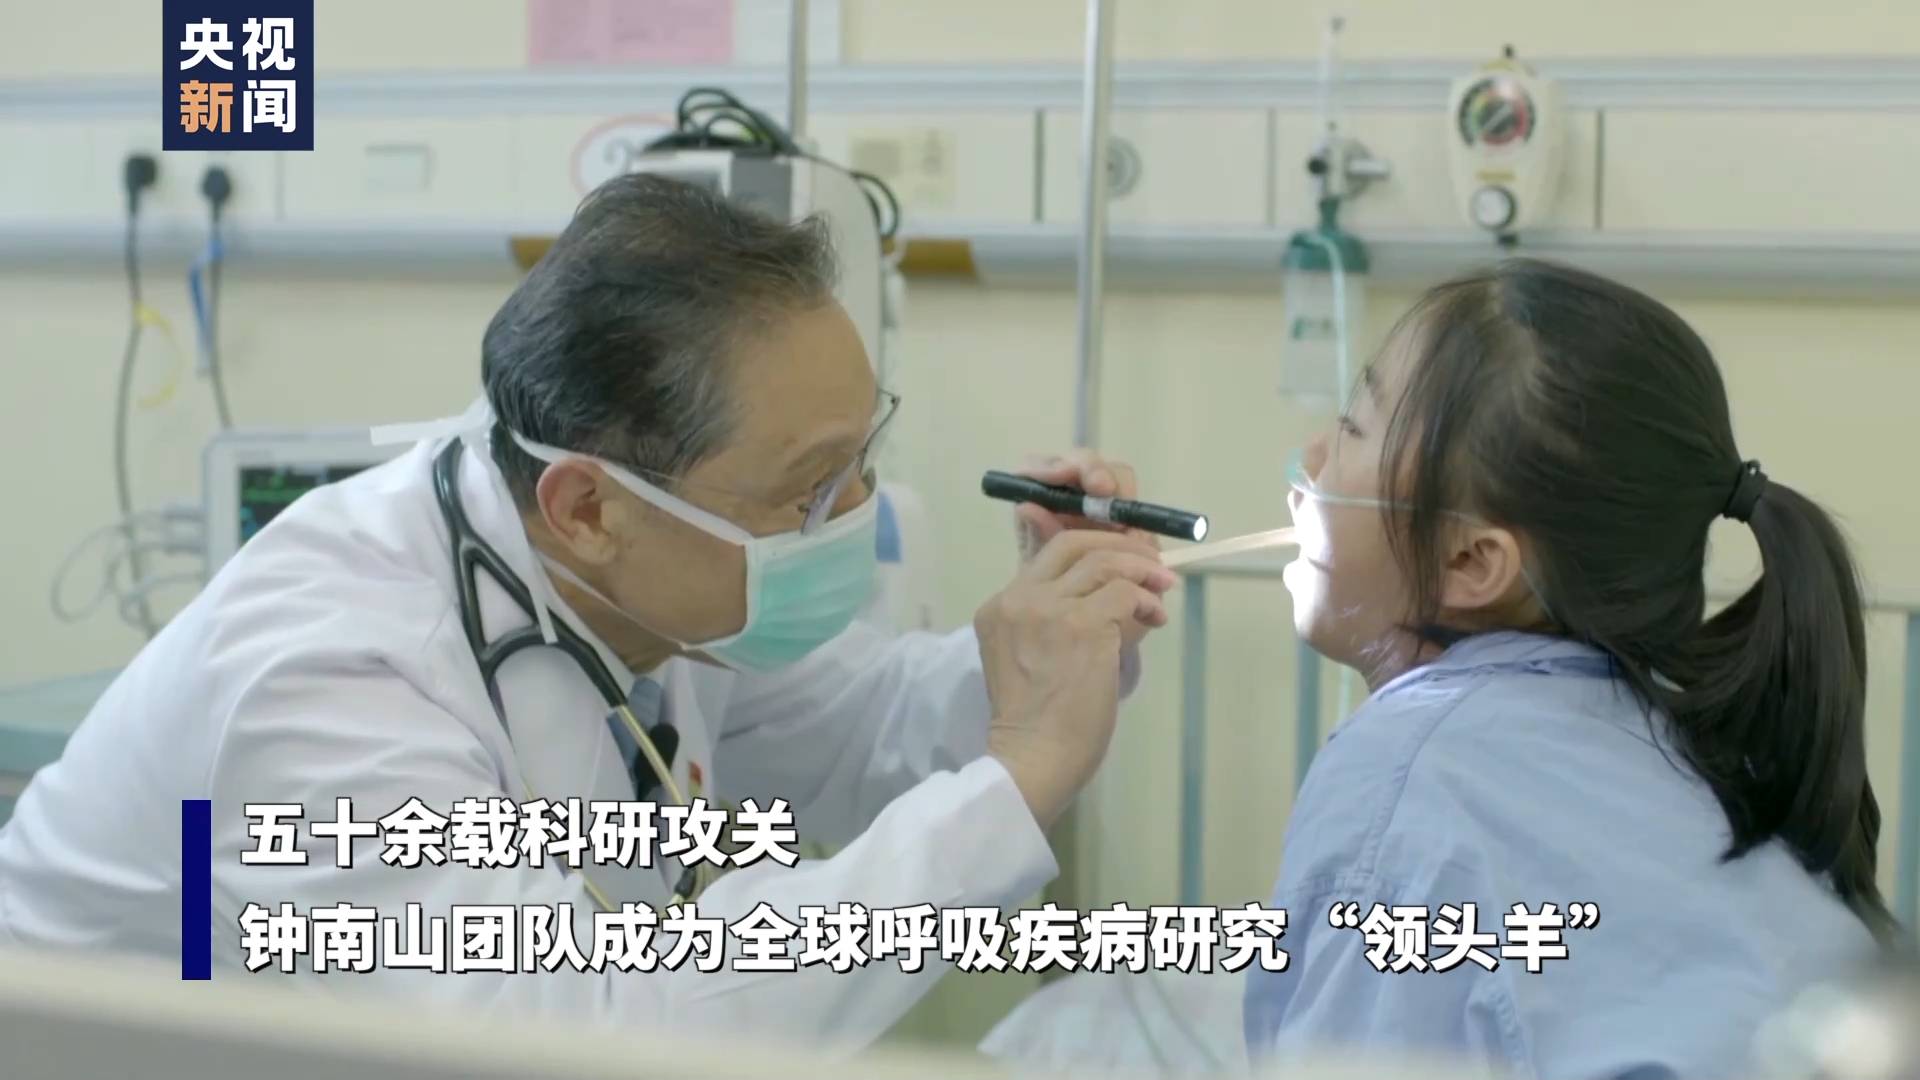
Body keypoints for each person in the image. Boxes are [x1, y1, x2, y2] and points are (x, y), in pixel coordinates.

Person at [0, 174, 1177, 1046]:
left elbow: (863, 730)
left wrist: (1049, 639)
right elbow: (579, 1035)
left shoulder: (631, 575)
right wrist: (1015, 781)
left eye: (860, 460)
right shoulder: (332, 683)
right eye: (809, 487)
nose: (855, 515)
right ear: (589, 507)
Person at [1244, 259, 1892, 1078]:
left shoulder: (1407, 776)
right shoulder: (1693, 752)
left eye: (1351, 428)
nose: (1312, 457)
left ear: (1473, 560)